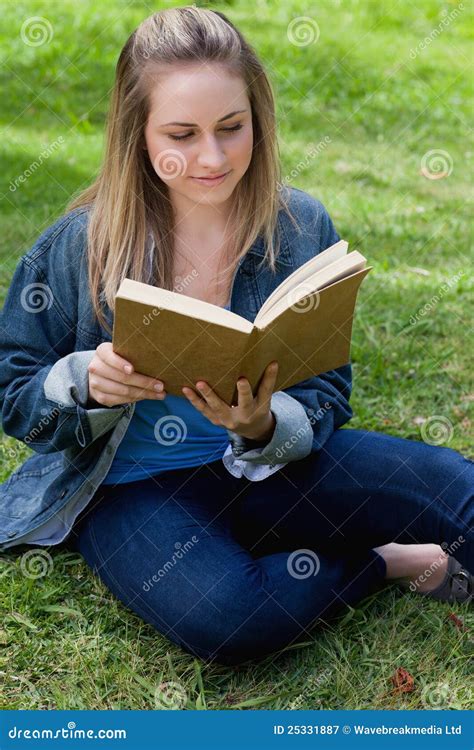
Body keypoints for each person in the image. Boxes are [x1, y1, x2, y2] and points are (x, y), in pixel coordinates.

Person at [0, 6, 472, 667]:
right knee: (230, 618)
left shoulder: (299, 224)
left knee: (457, 487)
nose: (213, 157)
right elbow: (14, 385)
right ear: (137, 134)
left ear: (258, 118)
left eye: (232, 128)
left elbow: (329, 390)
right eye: (181, 135)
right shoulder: (79, 244)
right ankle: (389, 562)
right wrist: (84, 383)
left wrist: (262, 424)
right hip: (133, 491)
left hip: (273, 469)